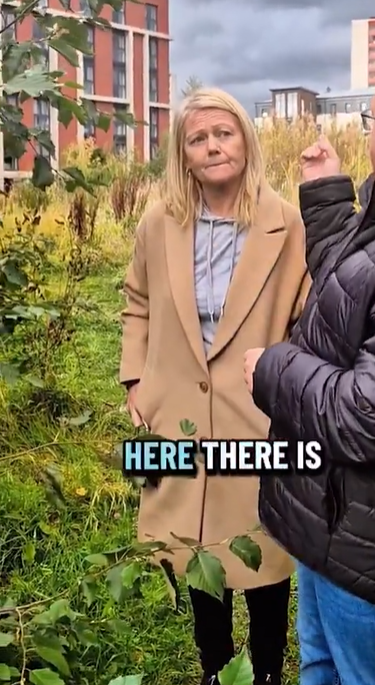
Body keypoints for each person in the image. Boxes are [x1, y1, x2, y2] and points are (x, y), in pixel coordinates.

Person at [243, 43, 375, 685]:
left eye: (369, 120)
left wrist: (273, 370)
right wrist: (328, 195)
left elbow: (371, 411)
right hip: (338, 523)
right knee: (321, 668)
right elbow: (358, 290)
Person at [119, 87, 310, 685]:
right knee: (193, 548)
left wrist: (292, 388)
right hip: (175, 414)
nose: (212, 147)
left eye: (222, 134)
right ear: (184, 154)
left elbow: (309, 316)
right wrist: (135, 382)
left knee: (264, 551)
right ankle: (215, 670)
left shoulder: (287, 224)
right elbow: (138, 301)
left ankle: (268, 673)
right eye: (198, 138)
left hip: (257, 419)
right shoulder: (160, 222)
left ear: (245, 141)